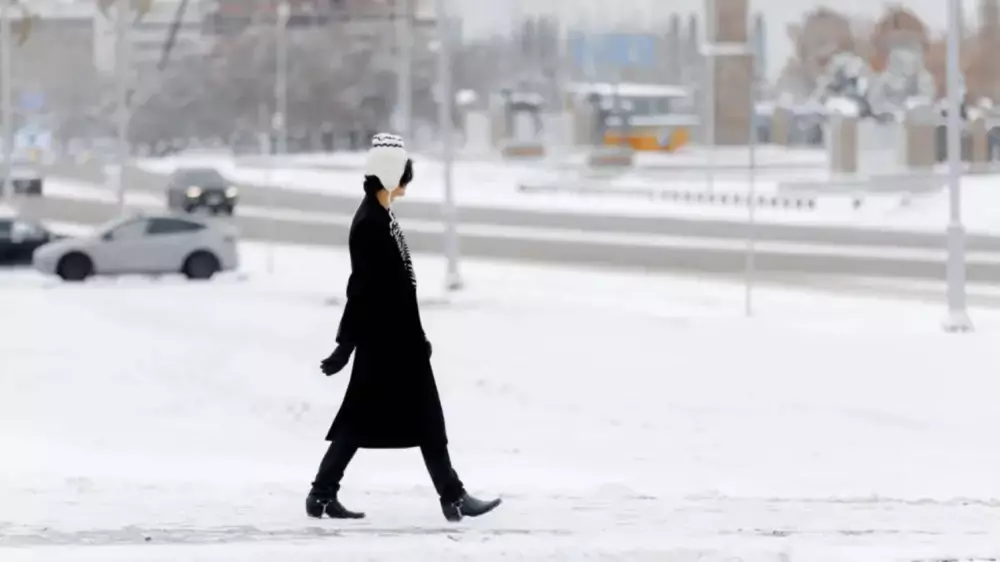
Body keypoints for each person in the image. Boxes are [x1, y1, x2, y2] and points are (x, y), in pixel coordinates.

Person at [306, 133, 501, 522]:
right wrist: (345, 345)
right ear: (392, 174)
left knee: (395, 418)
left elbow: (400, 287)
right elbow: (361, 288)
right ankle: (452, 496)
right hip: (384, 342)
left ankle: (325, 494)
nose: (407, 179)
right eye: (404, 172)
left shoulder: (383, 217)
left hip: (399, 339)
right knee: (400, 418)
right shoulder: (369, 222)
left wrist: (418, 335)